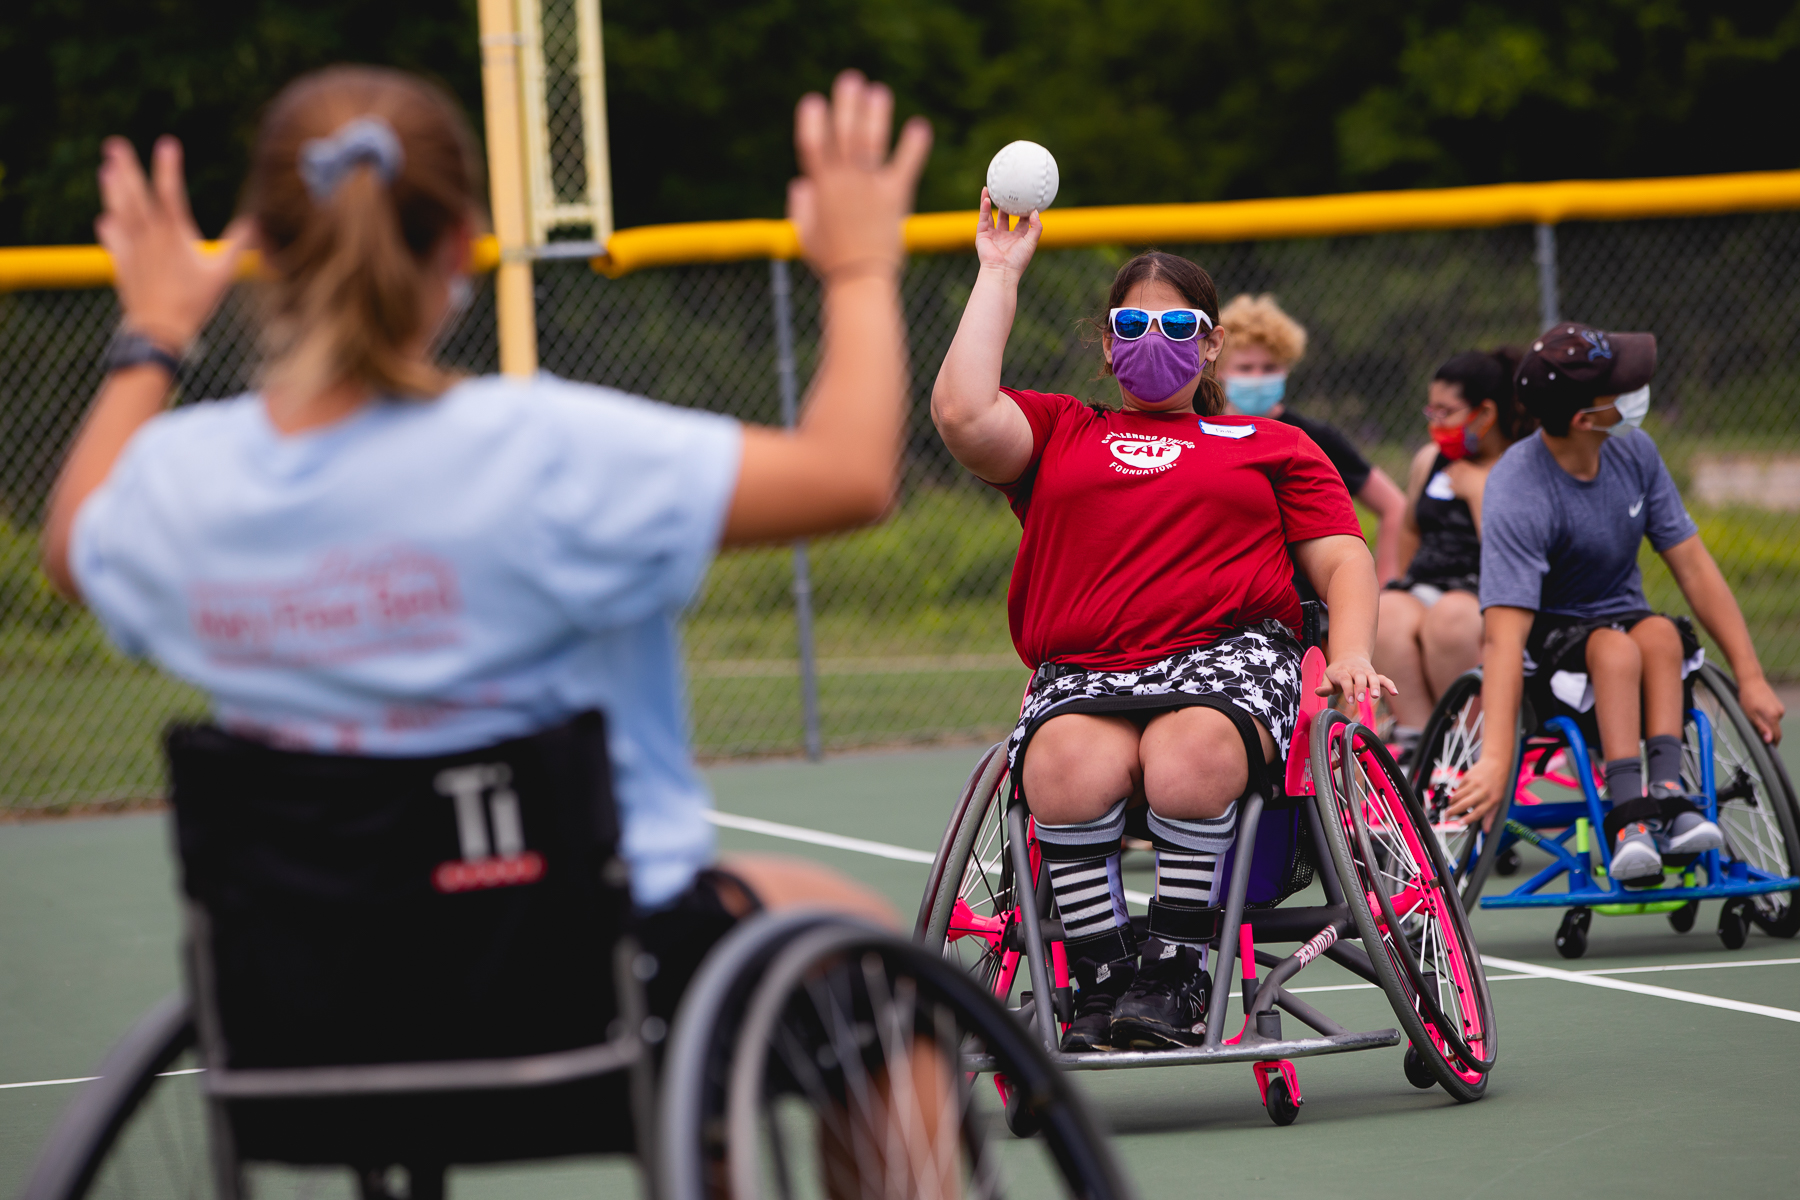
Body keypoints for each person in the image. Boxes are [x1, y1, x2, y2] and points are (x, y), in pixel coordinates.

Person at [41, 67, 931, 1019]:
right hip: (583, 970)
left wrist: (155, 328)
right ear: (463, 245)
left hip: (316, 990)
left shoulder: (186, 479)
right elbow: (849, 474)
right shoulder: (540, 451)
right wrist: (859, 268)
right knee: (863, 944)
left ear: (259, 244)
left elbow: (71, 545)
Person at [931, 210, 1394, 1054]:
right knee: (1063, 768)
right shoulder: (1063, 431)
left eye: (1177, 324)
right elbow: (963, 416)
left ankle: (1176, 968)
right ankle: (1105, 976)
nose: (1155, 338)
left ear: (1210, 344)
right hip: (1086, 669)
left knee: (1188, 756)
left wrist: (1354, 651)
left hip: (1229, 660)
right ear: (1107, 347)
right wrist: (999, 271)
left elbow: (1344, 561)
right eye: (1132, 325)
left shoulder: (1272, 444)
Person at [1448, 323, 1784, 882]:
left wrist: (1749, 676)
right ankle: (1628, 814)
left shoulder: (1635, 451)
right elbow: (1503, 637)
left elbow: (1696, 568)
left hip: (1625, 622)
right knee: (1616, 649)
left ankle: (1670, 795)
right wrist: (1497, 756)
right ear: (1584, 418)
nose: (1635, 391)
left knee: (1660, 635)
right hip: (1550, 654)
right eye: (1620, 387)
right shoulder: (1519, 487)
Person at [1374, 348, 1534, 757]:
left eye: (1447, 412)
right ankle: (1419, 743)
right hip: (1431, 581)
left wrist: (1479, 491)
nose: (1437, 424)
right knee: (1387, 611)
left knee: (1449, 620)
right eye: (1433, 411)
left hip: (1487, 588)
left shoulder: (1520, 465)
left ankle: (1470, 746)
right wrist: (1403, 586)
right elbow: (1411, 528)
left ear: (1484, 414)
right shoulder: (1431, 460)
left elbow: (1509, 550)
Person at [1216, 294, 1409, 585]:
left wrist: (1386, 589)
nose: (1257, 377)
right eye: (1245, 368)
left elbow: (1394, 505)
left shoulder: (1313, 438)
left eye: (1269, 368)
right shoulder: (1201, 430)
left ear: (1286, 369)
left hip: (1303, 599)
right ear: (1219, 369)